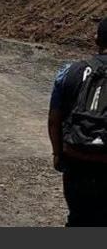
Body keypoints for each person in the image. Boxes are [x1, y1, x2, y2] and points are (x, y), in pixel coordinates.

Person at [48, 18, 107, 226]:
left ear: (96, 39)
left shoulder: (70, 71)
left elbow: (54, 119)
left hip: (77, 161)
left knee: (78, 219)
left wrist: (57, 154)